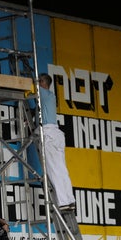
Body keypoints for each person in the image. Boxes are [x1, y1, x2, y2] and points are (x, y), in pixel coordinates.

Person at [38, 73, 76, 211]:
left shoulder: (44, 93)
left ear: (43, 82)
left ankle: (63, 201)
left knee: (53, 169)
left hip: (49, 133)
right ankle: (70, 199)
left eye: (39, 81)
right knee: (61, 169)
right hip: (56, 134)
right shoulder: (50, 96)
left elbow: (31, 85)